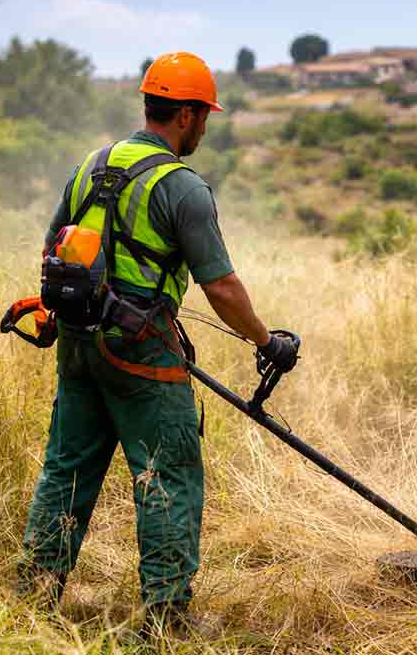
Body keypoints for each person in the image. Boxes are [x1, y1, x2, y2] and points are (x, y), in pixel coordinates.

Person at [17, 51, 297, 638]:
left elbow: (51, 250)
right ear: (189, 114)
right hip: (141, 353)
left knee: (66, 468)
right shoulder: (182, 187)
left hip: (77, 343)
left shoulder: (91, 165)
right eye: (205, 116)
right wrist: (265, 341)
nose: (205, 127)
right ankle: (166, 622)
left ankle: (34, 597)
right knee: (167, 476)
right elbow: (220, 285)